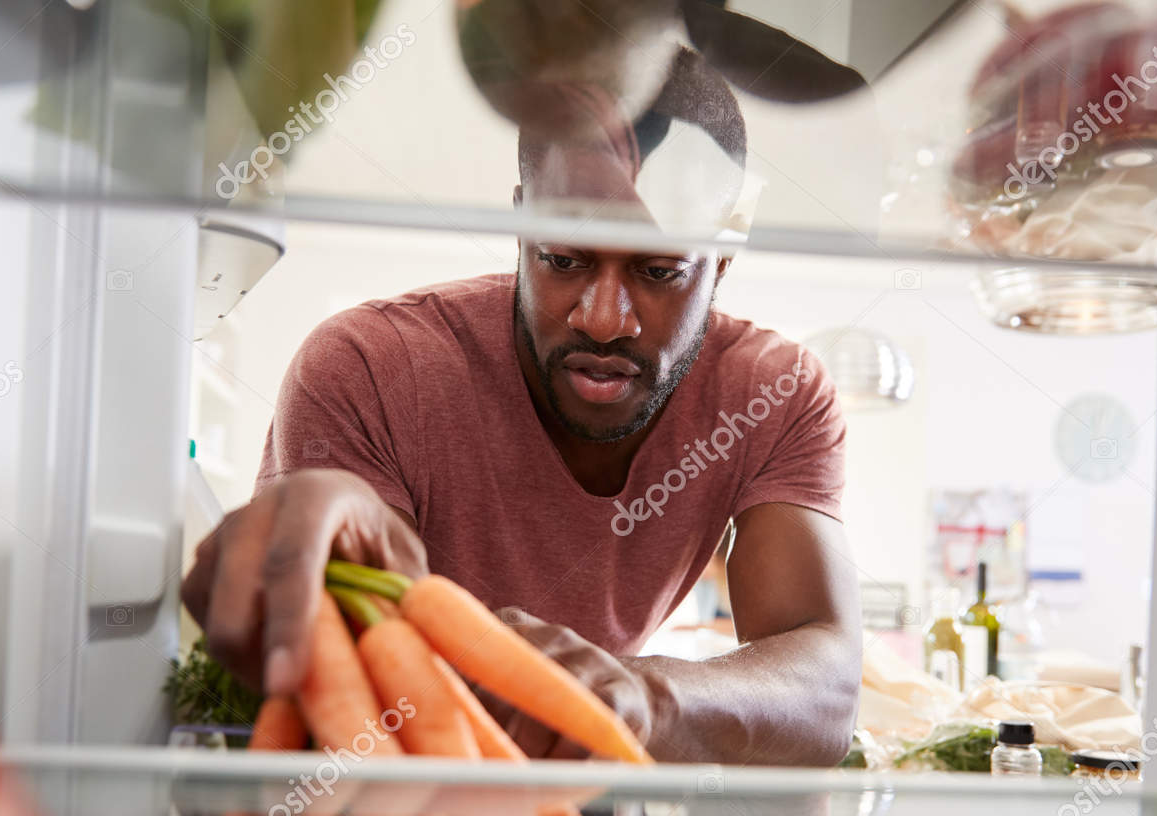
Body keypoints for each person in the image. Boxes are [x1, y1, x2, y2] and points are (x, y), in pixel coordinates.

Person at [182, 48, 860, 766]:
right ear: (521, 225)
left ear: (722, 257)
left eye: (658, 271)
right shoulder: (370, 367)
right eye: (563, 260)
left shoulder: (773, 394)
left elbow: (826, 689)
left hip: (594, 807)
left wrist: (647, 699)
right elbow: (352, 684)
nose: (604, 319)